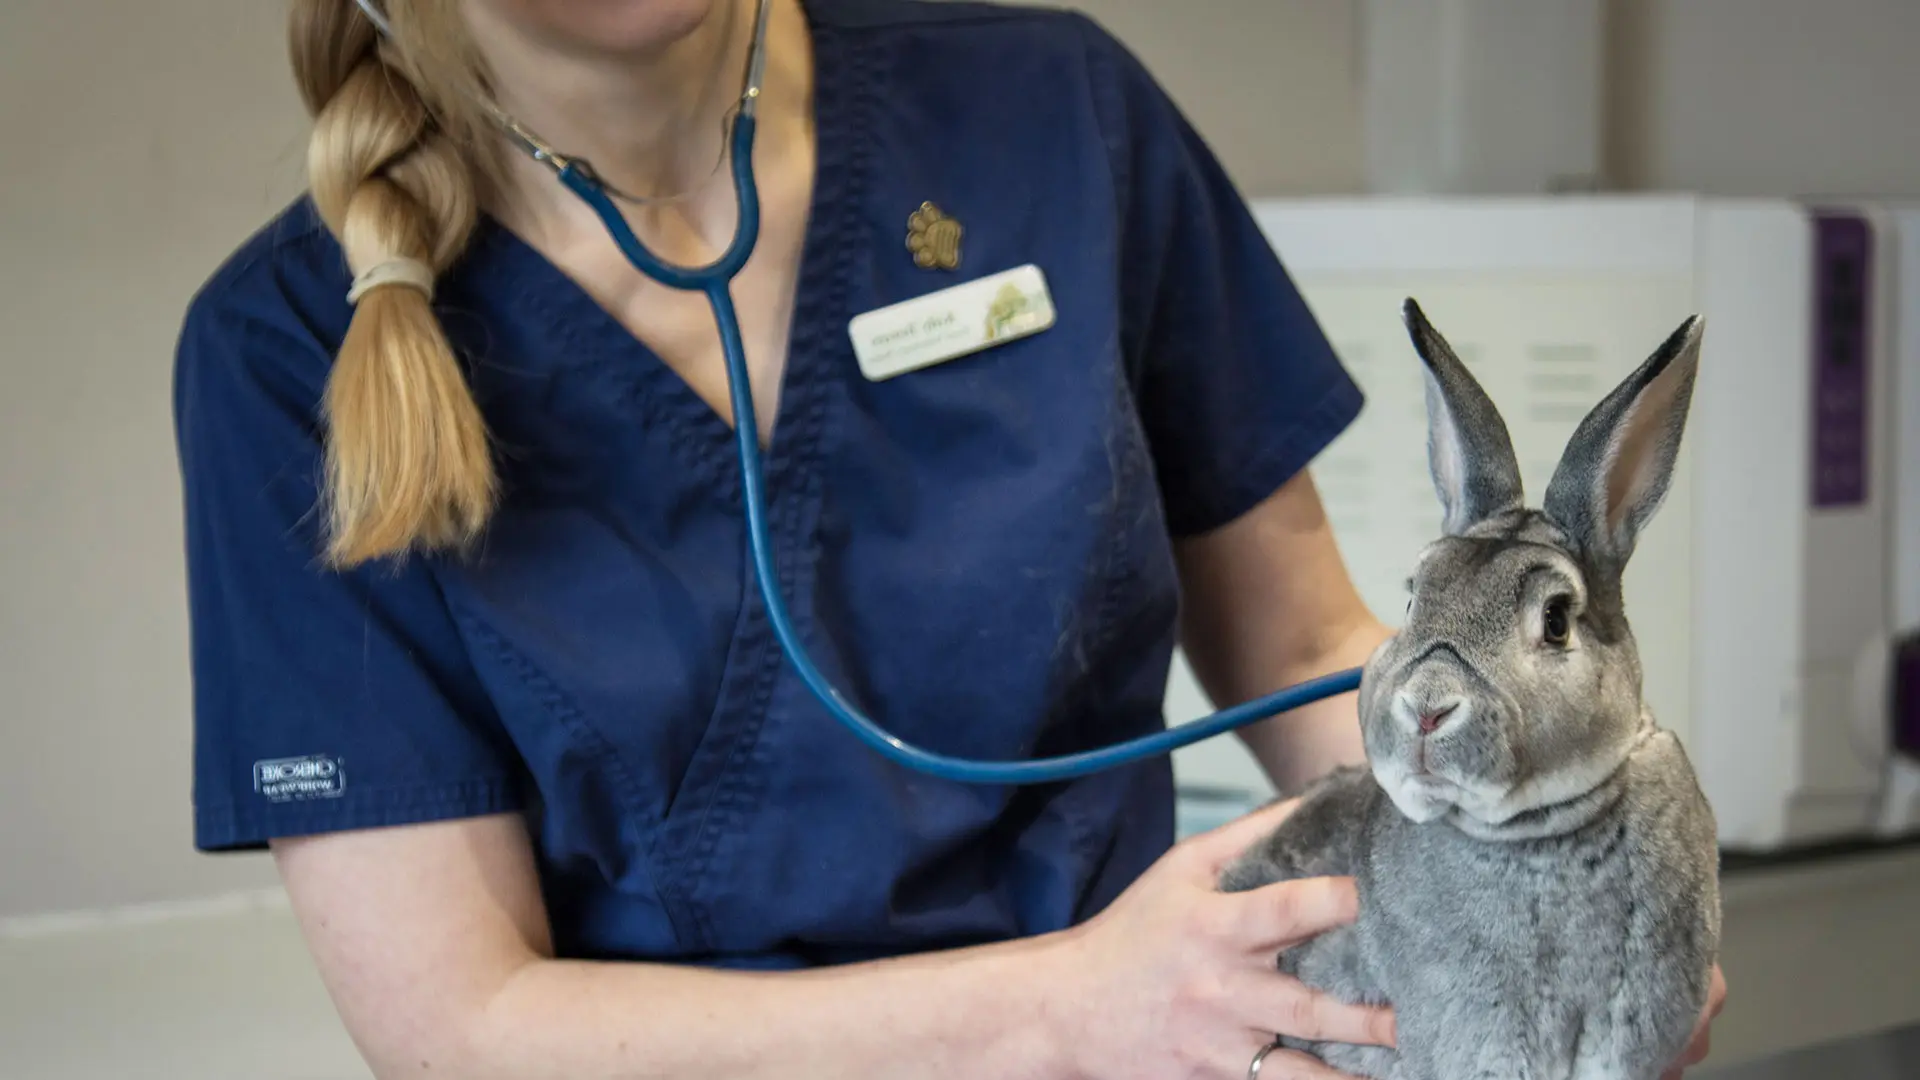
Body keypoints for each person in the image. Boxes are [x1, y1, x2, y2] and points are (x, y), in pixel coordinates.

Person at [172, 1, 1724, 1077]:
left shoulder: (1051, 115)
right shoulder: (283, 351)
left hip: (1175, 1051)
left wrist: (1564, 872)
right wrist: (1065, 1015)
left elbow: (1317, 651)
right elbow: (460, 1026)